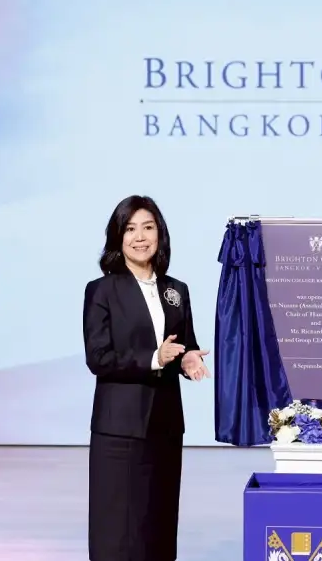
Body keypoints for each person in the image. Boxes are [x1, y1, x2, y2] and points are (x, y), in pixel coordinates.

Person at [83, 195, 211, 561]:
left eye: (148, 227)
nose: (140, 237)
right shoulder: (102, 290)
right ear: (118, 237)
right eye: (130, 229)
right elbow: (99, 358)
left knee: (159, 522)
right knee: (117, 529)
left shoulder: (176, 290)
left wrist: (188, 359)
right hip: (120, 427)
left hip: (165, 425)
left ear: (160, 234)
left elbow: (184, 344)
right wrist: (154, 358)